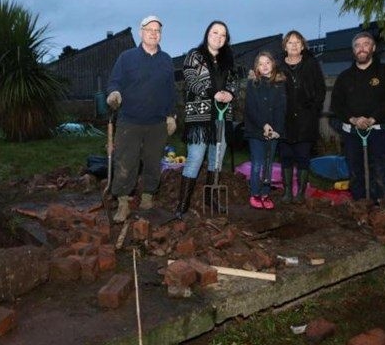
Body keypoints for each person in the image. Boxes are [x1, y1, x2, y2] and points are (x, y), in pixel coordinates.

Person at [106, 15, 177, 222]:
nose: (154, 33)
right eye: (149, 30)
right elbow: (114, 82)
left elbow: (170, 91)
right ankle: (123, 203)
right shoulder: (126, 58)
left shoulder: (166, 60)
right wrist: (114, 93)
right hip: (130, 121)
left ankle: (147, 197)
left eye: (157, 31)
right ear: (141, 32)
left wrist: (171, 116)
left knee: (153, 162)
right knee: (125, 163)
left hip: (157, 123)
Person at [174, 20, 236, 217]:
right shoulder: (195, 55)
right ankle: (182, 206)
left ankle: (211, 198)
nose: (218, 37)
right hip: (200, 117)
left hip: (222, 115)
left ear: (226, 39)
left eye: (223, 34)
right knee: (195, 159)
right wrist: (213, 93)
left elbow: (234, 82)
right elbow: (192, 80)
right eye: (215, 32)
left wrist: (230, 94)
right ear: (207, 34)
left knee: (216, 160)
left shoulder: (228, 59)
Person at [330, 31, 385, 203]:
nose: (361, 48)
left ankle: (380, 208)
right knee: (355, 171)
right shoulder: (344, 77)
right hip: (352, 133)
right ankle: (360, 207)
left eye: (366, 44)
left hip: (377, 131)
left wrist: (372, 119)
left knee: (378, 170)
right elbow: (337, 105)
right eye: (357, 45)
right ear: (353, 50)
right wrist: (353, 119)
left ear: (373, 48)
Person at [278, 30, 326, 204]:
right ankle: (288, 192)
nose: (294, 45)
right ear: (285, 46)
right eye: (290, 42)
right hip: (284, 120)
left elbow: (320, 90)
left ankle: (300, 194)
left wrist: (313, 111)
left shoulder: (311, 63)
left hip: (306, 119)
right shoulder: (279, 66)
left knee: (303, 157)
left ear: (303, 45)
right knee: (286, 157)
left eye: (298, 42)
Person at [244, 52, 286, 210]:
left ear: (273, 64)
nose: (265, 66)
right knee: (258, 163)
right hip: (255, 130)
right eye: (261, 64)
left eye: (267, 62)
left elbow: (281, 108)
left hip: (273, 131)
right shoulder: (253, 84)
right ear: (257, 68)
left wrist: (277, 129)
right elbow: (250, 109)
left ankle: (265, 193)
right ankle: (255, 193)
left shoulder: (279, 84)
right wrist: (263, 125)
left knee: (269, 163)